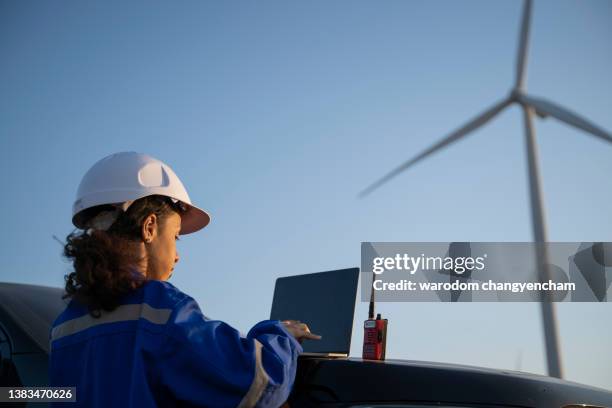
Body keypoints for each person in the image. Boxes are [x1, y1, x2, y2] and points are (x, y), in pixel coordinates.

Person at [49, 151, 321, 407]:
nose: (177, 256)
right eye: (175, 237)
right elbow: (258, 382)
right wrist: (280, 335)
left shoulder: (64, 326)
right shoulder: (159, 309)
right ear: (150, 227)